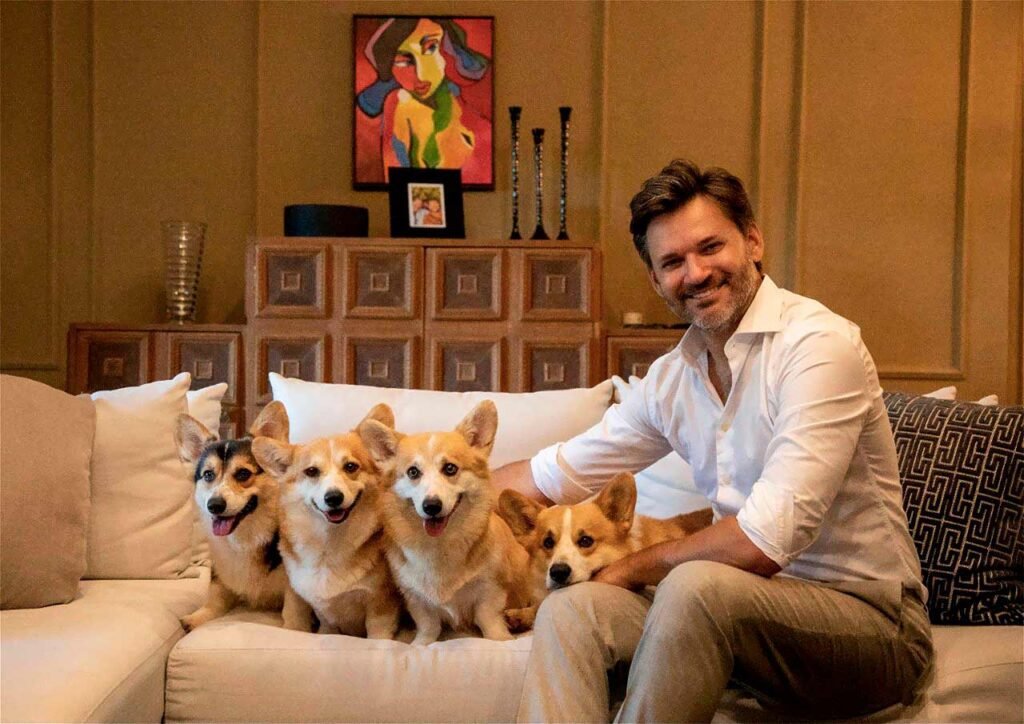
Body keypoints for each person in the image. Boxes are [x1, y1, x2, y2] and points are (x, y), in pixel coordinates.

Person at [493, 159, 934, 722]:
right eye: (673, 262)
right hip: (736, 620)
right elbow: (551, 476)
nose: (696, 273)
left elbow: (765, 541)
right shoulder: (672, 381)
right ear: (656, 280)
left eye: (710, 247)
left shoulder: (818, 347)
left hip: (872, 627)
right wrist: (411, 502)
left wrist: (630, 567)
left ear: (753, 241)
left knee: (695, 585)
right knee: (571, 607)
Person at [356, 17, 490, 183]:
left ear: (447, 49)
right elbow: (399, 186)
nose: (421, 75)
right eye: (402, 62)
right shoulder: (398, 103)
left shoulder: (467, 112)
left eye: (431, 48)